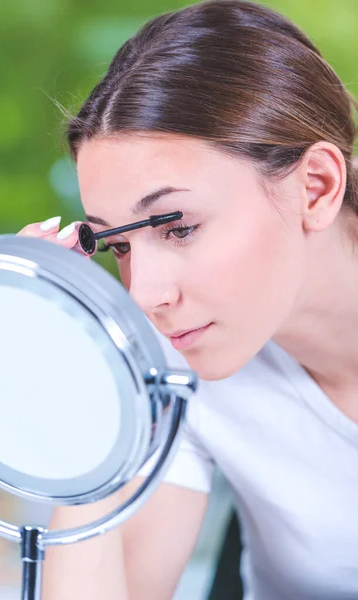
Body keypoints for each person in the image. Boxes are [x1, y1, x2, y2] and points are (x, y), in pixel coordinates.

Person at [18, 1, 358, 598]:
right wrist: (80, 399)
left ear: (316, 187)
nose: (146, 294)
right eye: (116, 246)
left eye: (178, 227)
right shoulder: (176, 365)